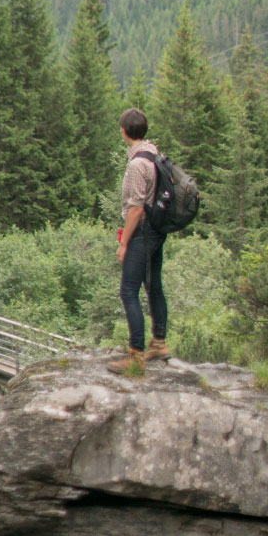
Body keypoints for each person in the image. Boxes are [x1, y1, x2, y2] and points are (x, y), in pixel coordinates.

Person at [107, 107, 172, 374]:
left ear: (124, 131)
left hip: (142, 231)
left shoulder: (137, 164)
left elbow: (136, 208)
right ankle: (159, 344)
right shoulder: (154, 153)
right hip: (157, 228)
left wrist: (124, 243)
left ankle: (136, 355)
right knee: (154, 286)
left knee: (128, 291)